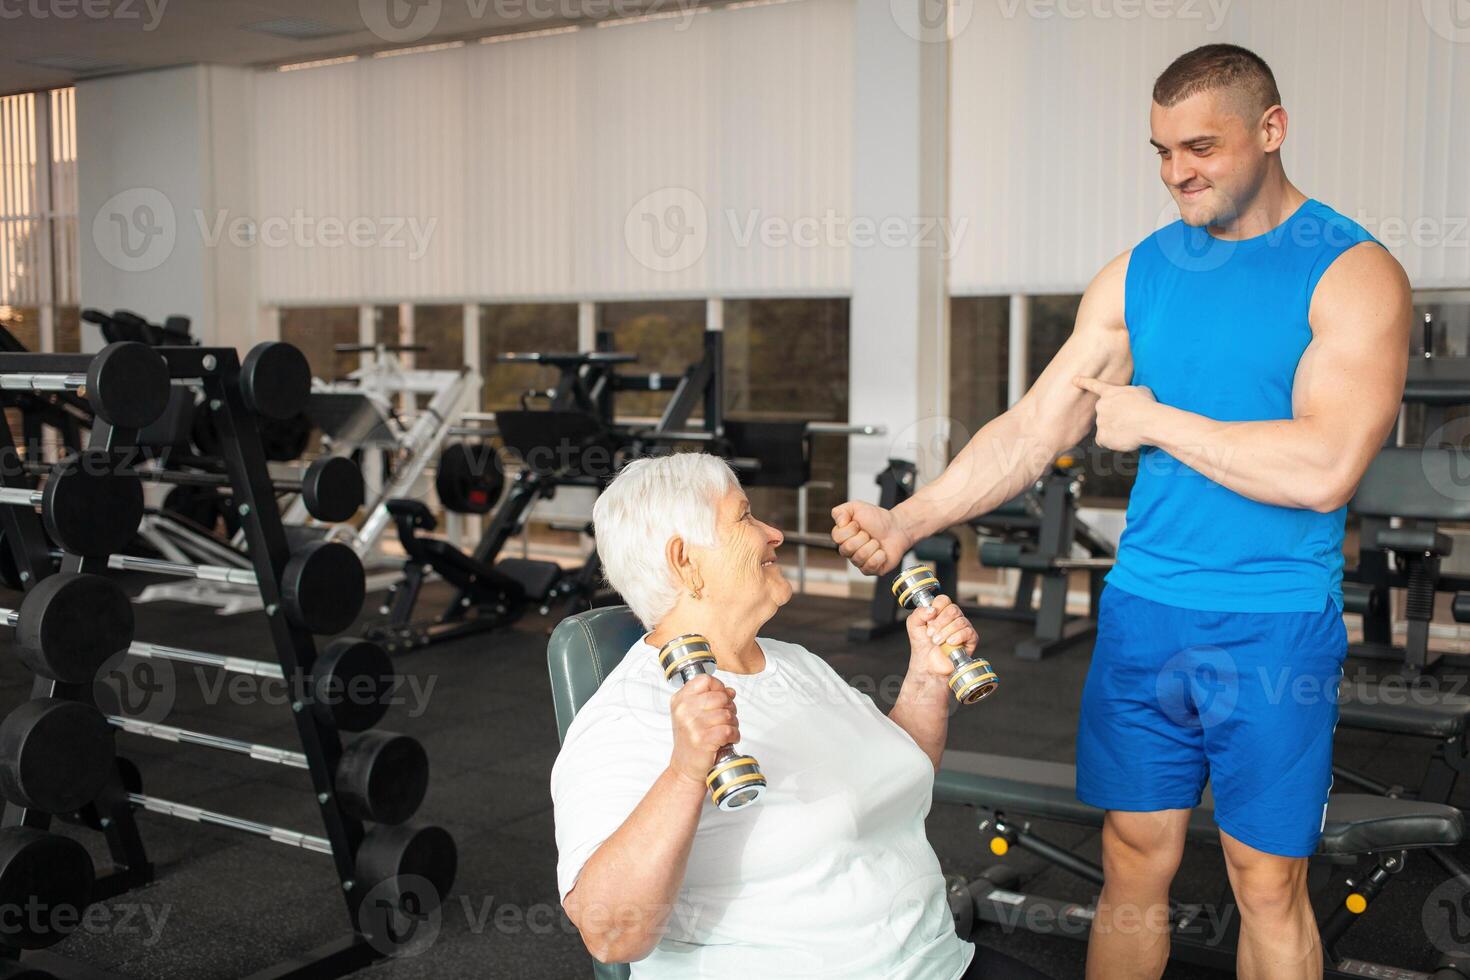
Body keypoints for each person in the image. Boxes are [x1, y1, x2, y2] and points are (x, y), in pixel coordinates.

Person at [831, 43, 1410, 980]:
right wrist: (910, 520)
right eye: (1161, 150)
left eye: (1202, 146)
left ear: (1273, 130)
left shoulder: (1351, 272)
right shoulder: (1138, 272)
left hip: (1271, 623)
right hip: (1144, 612)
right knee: (1134, 858)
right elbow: (1032, 427)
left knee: (1266, 880)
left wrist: (1159, 421)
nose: (1178, 171)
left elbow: (1326, 467)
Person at [551, 452, 1050, 979]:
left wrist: (927, 677)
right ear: (684, 561)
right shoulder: (625, 716)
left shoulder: (794, 662)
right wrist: (684, 773)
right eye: (744, 517)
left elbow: (899, 775)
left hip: (937, 963)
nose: (774, 533)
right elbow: (610, 935)